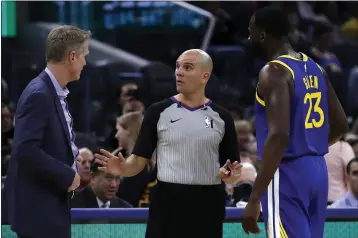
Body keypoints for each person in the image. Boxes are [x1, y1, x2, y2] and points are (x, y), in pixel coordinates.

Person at [95, 49, 242, 238]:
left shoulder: (223, 117)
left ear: (205, 76)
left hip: (206, 216)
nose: (179, 72)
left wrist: (229, 177)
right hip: (165, 217)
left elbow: (231, 168)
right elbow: (138, 161)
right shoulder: (156, 112)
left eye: (188, 67)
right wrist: (123, 168)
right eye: (178, 67)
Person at [241, 7, 349, 238]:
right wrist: (310, 146)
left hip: (287, 171)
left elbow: (279, 136)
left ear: (262, 34)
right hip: (318, 171)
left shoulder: (274, 71)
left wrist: (254, 197)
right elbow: (341, 125)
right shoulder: (316, 68)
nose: (248, 35)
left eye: (251, 29)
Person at [4, 25, 91, 238]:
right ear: (72, 57)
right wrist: (67, 174)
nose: (85, 63)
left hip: (48, 208)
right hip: (39, 214)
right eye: (84, 56)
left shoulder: (50, 91)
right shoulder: (39, 94)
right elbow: (25, 149)